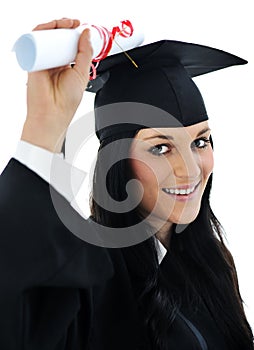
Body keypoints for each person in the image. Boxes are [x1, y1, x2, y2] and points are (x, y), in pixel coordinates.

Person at [0, 17, 253, 350]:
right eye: (160, 147)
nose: (190, 169)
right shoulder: (85, 280)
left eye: (200, 142)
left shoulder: (211, 261)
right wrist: (42, 129)